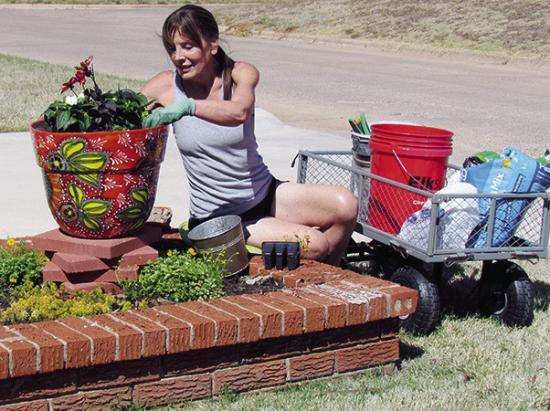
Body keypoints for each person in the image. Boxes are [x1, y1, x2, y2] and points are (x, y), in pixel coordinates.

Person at [141, 4, 358, 265]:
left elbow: (239, 112)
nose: (178, 56)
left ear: (212, 44)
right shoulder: (166, 86)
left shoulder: (240, 73)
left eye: (188, 46)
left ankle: (329, 278)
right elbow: (118, 114)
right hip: (219, 219)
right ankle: (315, 271)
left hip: (264, 194)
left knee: (346, 205)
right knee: (315, 244)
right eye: (172, 48)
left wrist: (189, 107)